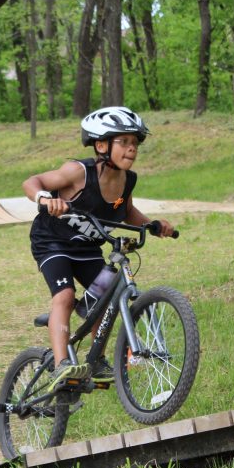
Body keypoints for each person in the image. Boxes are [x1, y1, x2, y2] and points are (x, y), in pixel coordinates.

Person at [22, 106, 175, 389]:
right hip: (52, 242)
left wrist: (152, 225)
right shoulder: (78, 172)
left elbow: (123, 208)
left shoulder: (126, 182)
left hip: (88, 248)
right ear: (102, 144)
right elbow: (32, 182)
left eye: (134, 143)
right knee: (66, 296)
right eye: (124, 142)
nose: (131, 149)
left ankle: (97, 359)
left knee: (105, 298)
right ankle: (61, 365)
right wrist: (45, 199)